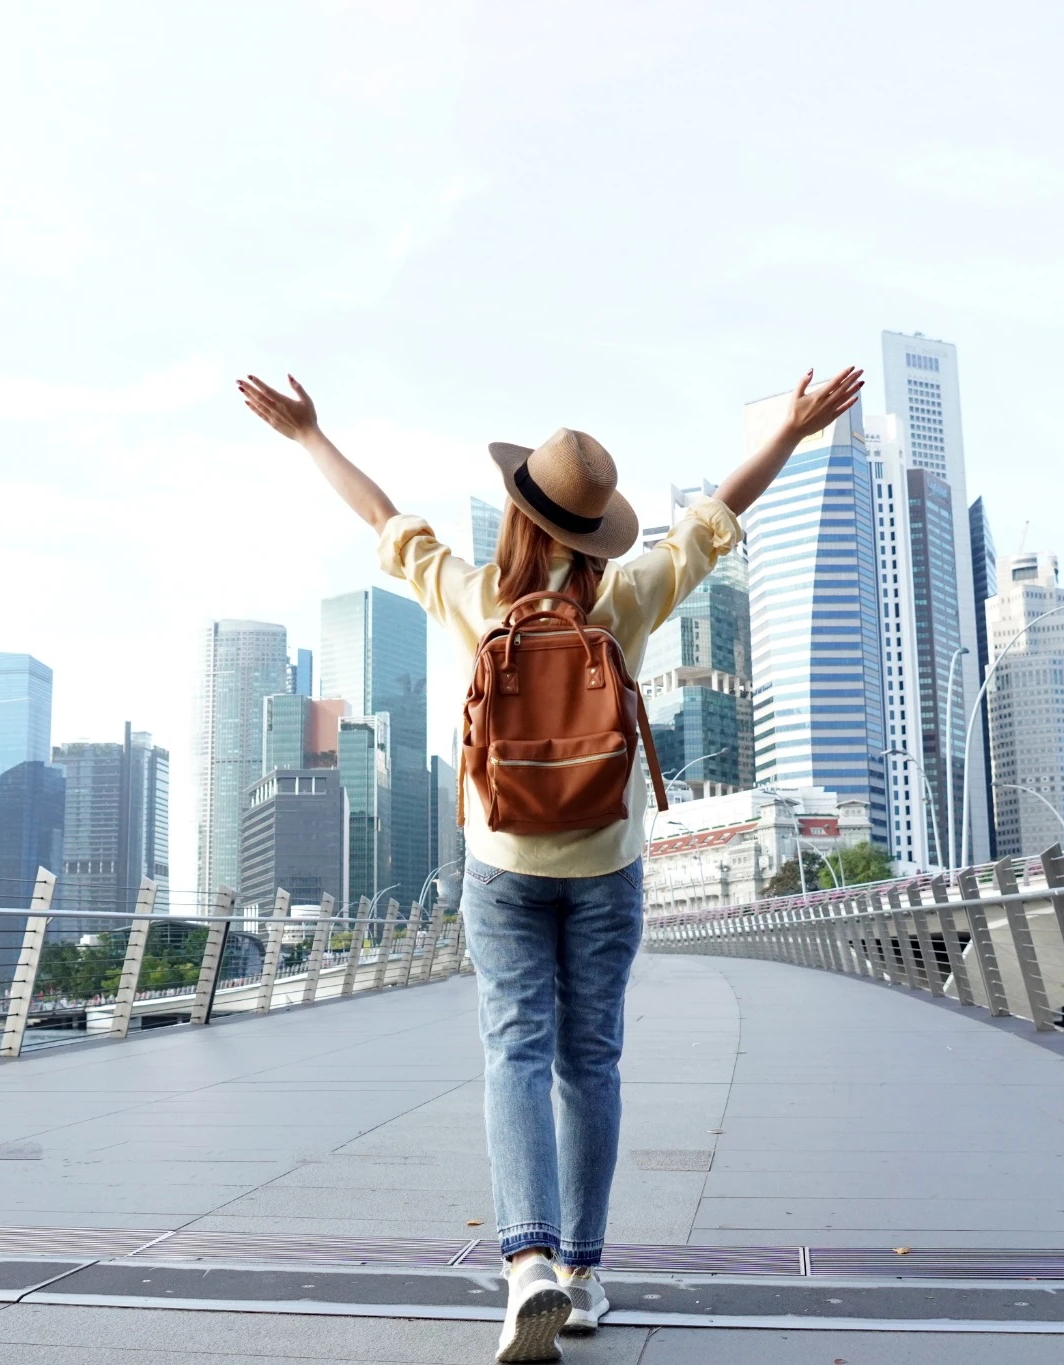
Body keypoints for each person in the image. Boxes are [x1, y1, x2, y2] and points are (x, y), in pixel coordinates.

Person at [239, 366, 864, 1362]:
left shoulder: (474, 594)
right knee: (591, 1062)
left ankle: (524, 1259)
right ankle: (581, 1274)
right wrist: (789, 430)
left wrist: (308, 433)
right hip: (606, 863)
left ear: (518, 513)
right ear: (595, 531)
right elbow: (718, 515)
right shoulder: (628, 594)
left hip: (501, 861)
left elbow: (381, 517)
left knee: (515, 1053)